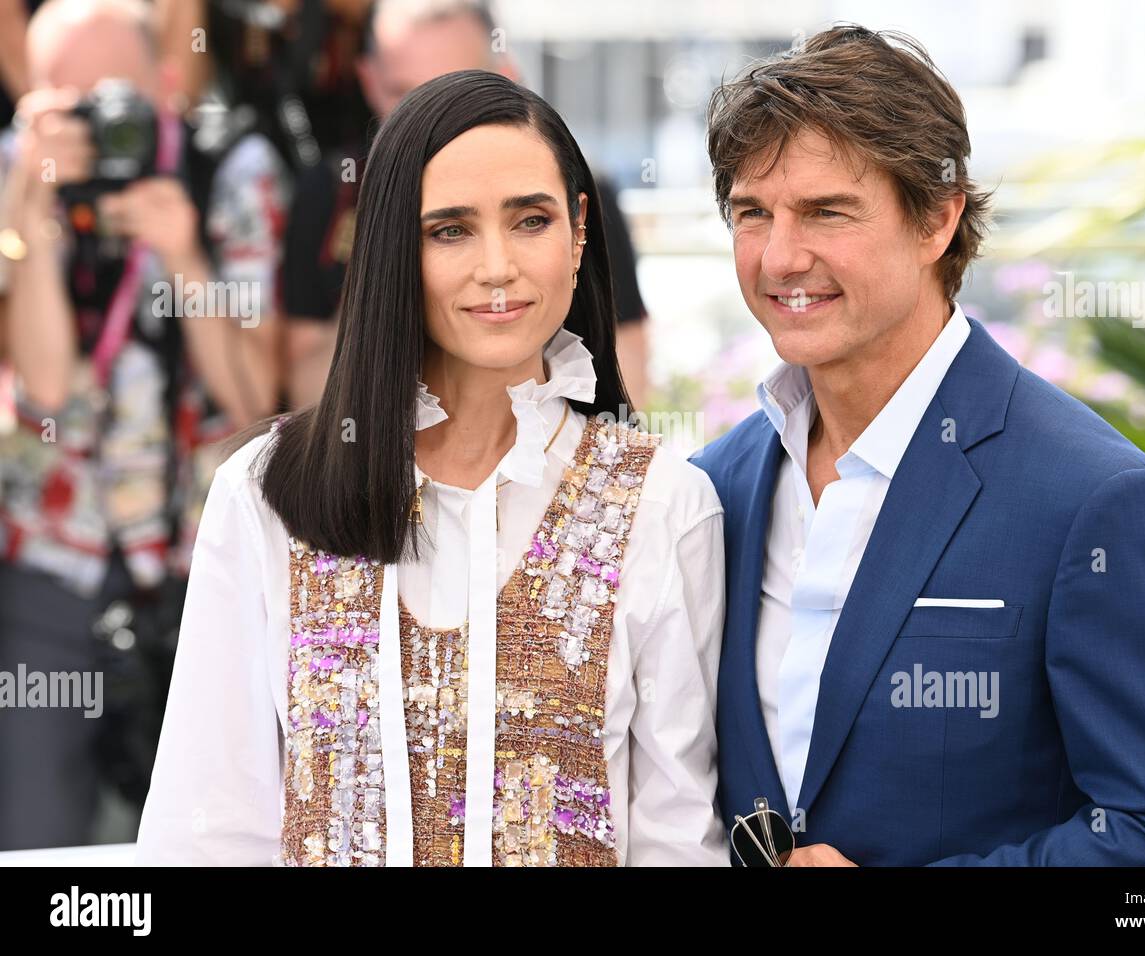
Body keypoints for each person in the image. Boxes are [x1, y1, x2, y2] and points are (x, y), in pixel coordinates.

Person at [691, 25, 1145, 866]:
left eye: (826, 212)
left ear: (937, 219)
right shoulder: (715, 487)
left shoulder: (1098, 502)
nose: (780, 256)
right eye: (752, 213)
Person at [135, 69, 728, 866]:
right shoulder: (266, 492)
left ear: (580, 229)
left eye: (530, 220)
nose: (497, 267)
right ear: (391, 245)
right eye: (450, 229)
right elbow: (206, 830)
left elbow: (676, 838)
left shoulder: (665, 500)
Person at [0, 0, 288, 849]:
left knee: (210, 837)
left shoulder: (224, 166)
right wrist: (32, 226)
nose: (97, 125)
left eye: (113, 96)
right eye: (67, 101)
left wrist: (186, 255)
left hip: (205, 560)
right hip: (55, 560)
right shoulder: (15, 174)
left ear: (165, 83)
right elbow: (47, 387)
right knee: (37, 836)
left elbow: (251, 397)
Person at [280, 0, 649, 410]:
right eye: (449, 231)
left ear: (506, 78)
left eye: (530, 221)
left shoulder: (575, 183)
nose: (435, 124)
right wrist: (383, 274)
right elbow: (308, 394)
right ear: (368, 81)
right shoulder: (333, 192)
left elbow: (627, 375)